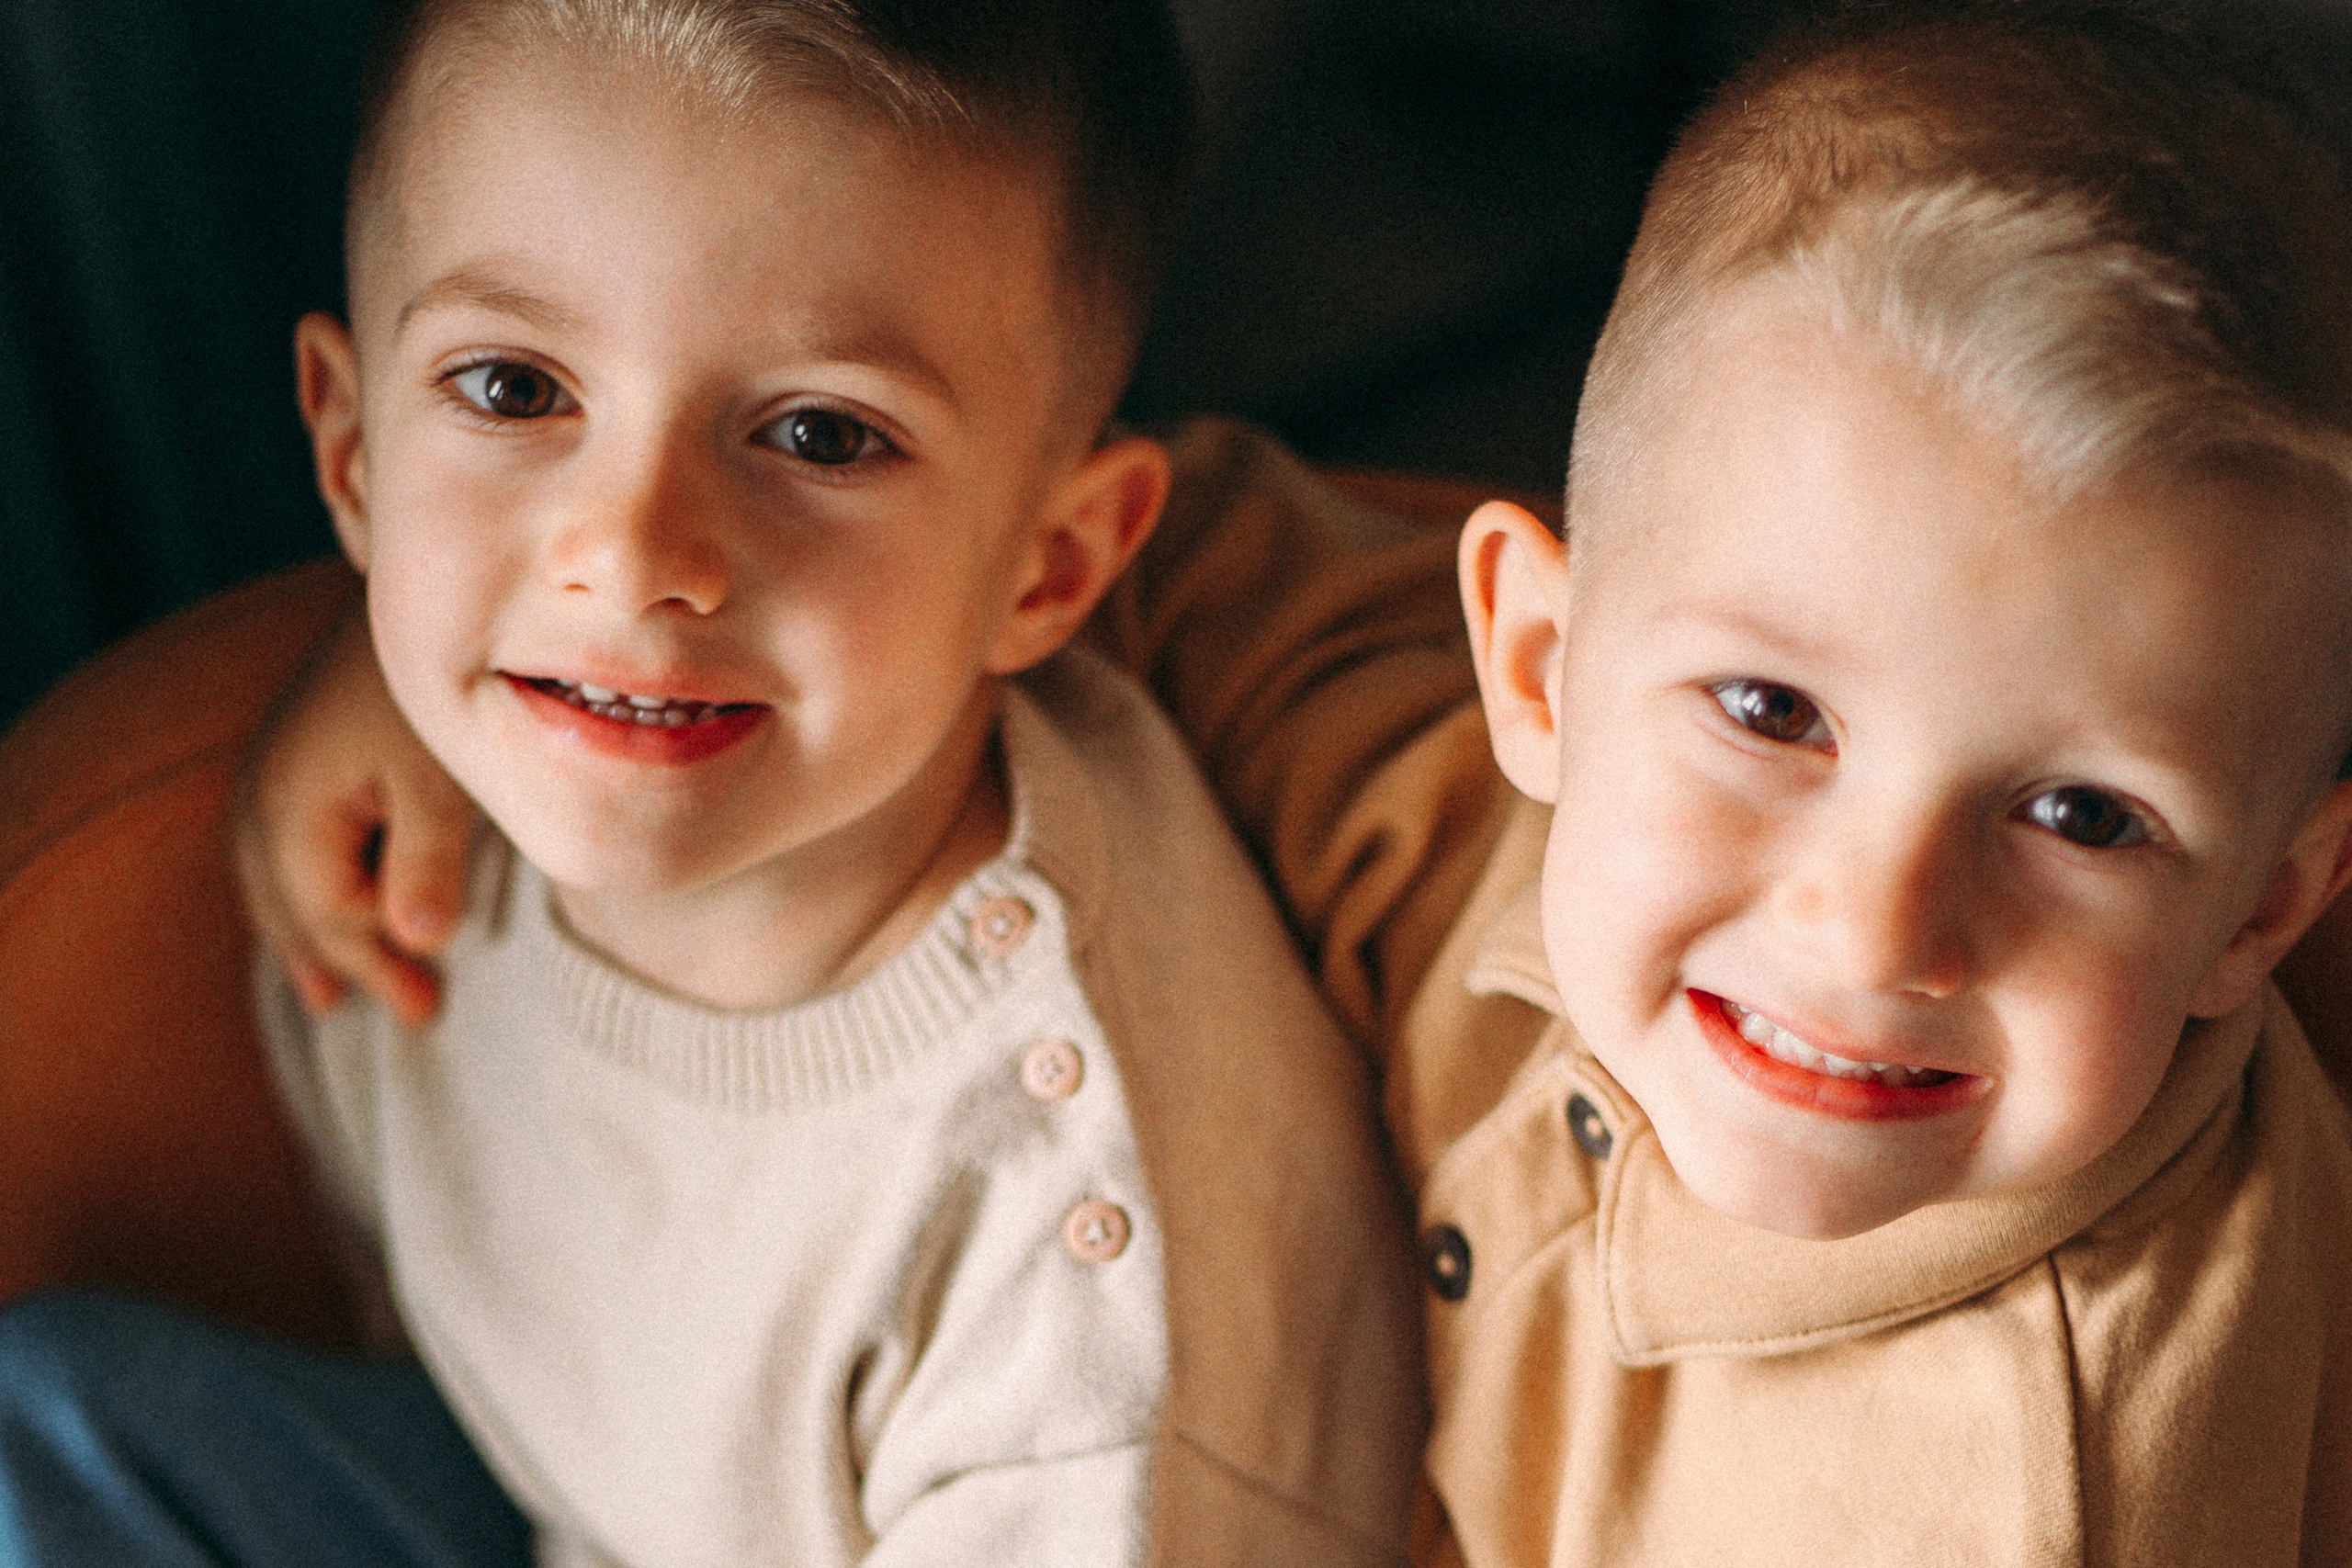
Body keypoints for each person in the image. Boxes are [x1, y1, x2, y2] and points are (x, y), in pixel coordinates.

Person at [221, 1, 2352, 1563]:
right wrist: (424, 658)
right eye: (1769, 715)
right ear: (1537, 660)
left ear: (2259, 904)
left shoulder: (2020, 1495)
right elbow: (920, 556)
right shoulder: (1408, 746)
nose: (1868, 922)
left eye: (2078, 814)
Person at [0, 2, 1427, 1565]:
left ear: (1051, 560)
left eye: (819, 433)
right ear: (353, 458)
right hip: (566, 1503)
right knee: (48, 1413)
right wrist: (383, 678)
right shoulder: (485, 763)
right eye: (513, 392)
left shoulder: (1079, 1317)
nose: (627, 554)